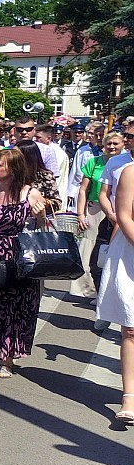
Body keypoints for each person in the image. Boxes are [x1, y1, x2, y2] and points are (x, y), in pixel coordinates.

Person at [0, 149, 46, 379]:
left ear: (13, 168)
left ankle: (7, 358)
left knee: (15, 308)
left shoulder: (31, 194)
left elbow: (42, 231)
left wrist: (41, 216)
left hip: (19, 257)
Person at [96, 141, 134, 423]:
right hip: (131, 253)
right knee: (131, 329)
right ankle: (129, 397)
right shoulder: (129, 172)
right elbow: (123, 215)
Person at [73, 132, 124, 300]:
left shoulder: (126, 164)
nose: (111, 147)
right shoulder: (93, 163)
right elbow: (83, 190)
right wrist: (81, 214)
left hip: (117, 210)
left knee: (114, 250)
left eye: (115, 143)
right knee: (90, 251)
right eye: (108, 143)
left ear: (123, 144)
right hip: (94, 209)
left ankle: (111, 291)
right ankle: (90, 290)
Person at [15, 140, 63, 215]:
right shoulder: (12, 175)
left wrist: (42, 202)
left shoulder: (45, 176)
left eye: (16, 155)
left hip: (37, 219)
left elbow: (57, 203)